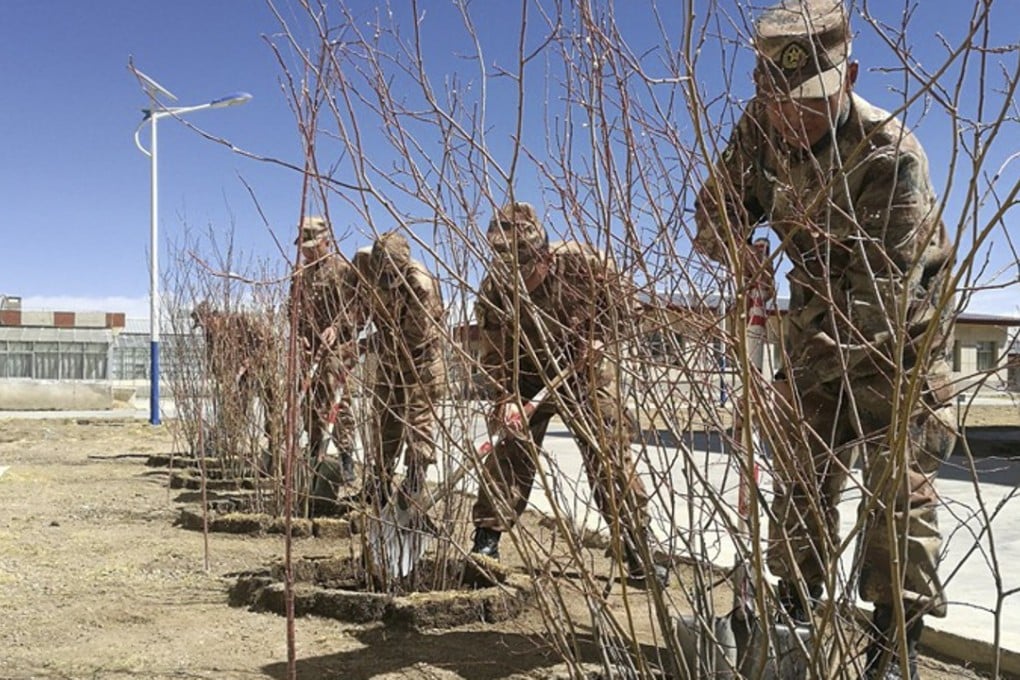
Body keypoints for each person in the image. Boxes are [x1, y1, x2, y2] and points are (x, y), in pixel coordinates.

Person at [693, 1, 956, 677]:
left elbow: (881, 305)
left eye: (807, 99)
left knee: (896, 496)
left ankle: (896, 640)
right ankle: (794, 614)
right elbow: (712, 212)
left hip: (898, 345)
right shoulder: (759, 127)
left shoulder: (889, 154)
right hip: (814, 333)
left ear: (849, 75)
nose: (790, 116)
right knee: (798, 484)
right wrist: (738, 244)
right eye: (775, 98)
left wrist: (786, 379)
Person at [469, 202, 668, 588]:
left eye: (528, 270)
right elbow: (493, 349)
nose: (522, 279)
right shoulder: (495, 286)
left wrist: (602, 335)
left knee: (608, 456)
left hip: (587, 370)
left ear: (543, 253)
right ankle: (486, 541)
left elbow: (633, 308)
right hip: (526, 373)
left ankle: (638, 547)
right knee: (510, 449)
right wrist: (505, 396)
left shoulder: (585, 263)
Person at [357, 230, 446, 509]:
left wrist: (367, 344)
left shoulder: (421, 286)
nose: (385, 284)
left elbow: (410, 340)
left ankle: (413, 486)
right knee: (382, 420)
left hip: (421, 360)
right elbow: (359, 305)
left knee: (418, 424)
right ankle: (378, 485)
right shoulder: (366, 265)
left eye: (390, 277)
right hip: (388, 358)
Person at [289, 216, 361, 490]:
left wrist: (337, 326)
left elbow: (357, 308)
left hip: (339, 349)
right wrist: (299, 337)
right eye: (303, 247)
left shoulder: (343, 270)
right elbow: (291, 311)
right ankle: (314, 450)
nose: (306, 252)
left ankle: (345, 461)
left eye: (311, 246)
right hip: (310, 349)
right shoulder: (300, 275)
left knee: (337, 402)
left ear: (325, 242)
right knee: (309, 401)